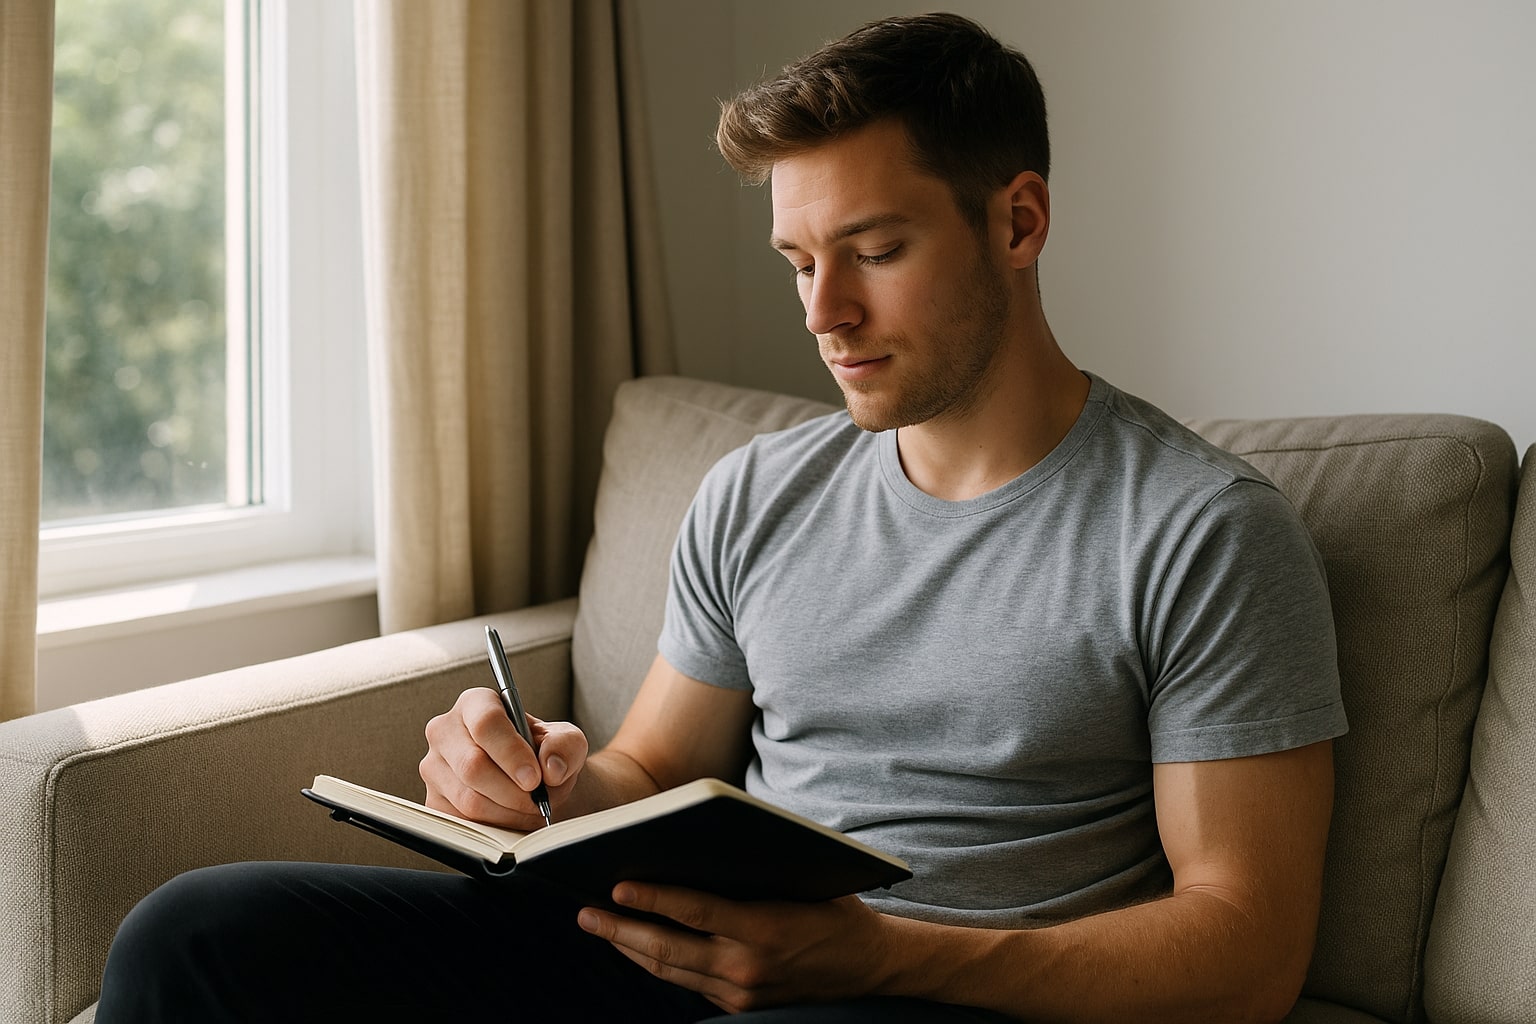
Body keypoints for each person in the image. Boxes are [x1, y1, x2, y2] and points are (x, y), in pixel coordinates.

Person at [97, 12, 1346, 1023]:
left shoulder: (1201, 531)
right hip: (672, 955)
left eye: (874, 249)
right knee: (195, 935)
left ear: (1017, 221)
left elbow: (1244, 946)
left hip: (944, 994)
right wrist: (540, 784)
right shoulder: (759, 491)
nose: (825, 313)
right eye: (800, 262)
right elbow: (651, 771)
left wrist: (881, 958)